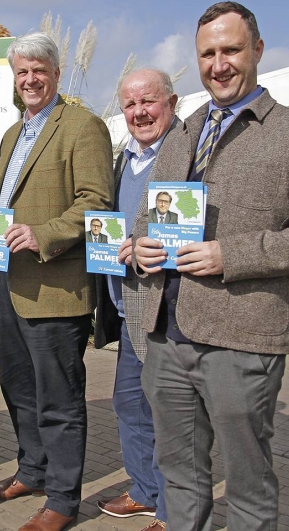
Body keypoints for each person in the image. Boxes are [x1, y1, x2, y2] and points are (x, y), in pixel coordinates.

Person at [132, 2, 289, 530]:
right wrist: (139, 247)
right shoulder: (184, 130)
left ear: (257, 50)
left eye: (231, 50)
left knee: (248, 485)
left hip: (242, 339)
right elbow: (146, 216)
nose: (219, 63)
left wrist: (234, 255)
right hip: (166, 334)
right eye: (208, 53)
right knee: (178, 475)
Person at [0, 33, 113, 531]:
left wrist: (43, 234)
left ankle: (62, 500)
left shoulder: (83, 125)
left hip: (55, 287)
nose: (30, 79)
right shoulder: (14, 134)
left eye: (39, 70)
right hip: (7, 284)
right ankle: (32, 471)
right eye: (21, 72)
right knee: (18, 389)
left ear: (55, 74)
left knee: (59, 398)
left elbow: (97, 202)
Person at [93, 69, 179, 531]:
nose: (139, 112)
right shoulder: (125, 158)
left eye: (149, 102)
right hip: (128, 307)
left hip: (168, 307)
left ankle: (173, 509)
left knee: (171, 412)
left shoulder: (185, 153)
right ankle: (146, 490)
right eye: (129, 104)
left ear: (171, 101)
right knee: (130, 403)